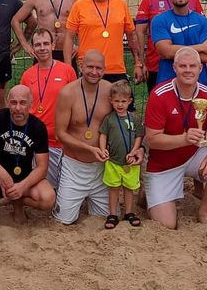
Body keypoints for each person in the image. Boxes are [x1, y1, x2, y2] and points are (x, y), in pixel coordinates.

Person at [143, 48, 207, 228]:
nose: (188, 70)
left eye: (192, 66)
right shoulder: (159, 95)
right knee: (167, 224)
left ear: (200, 68)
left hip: (192, 155)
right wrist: (184, 138)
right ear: (174, 68)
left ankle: (204, 210)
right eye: (183, 66)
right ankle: (147, 194)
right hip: (162, 163)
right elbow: (152, 140)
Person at [0, 84, 55, 225]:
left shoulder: (38, 127)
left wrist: (23, 186)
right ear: (8, 102)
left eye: (23, 103)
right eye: (13, 102)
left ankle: (16, 202)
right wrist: (1, 172)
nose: (18, 108)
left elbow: (42, 167)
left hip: (22, 176)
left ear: (31, 104)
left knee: (48, 198)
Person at [52, 50, 114, 225]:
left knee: (105, 218)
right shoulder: (68, 93)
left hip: (102, 168)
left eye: (99, 68)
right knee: (63, 220)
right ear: (81, 66)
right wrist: (89, 148)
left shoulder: (110, 91)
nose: (94, 72)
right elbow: (60, 133)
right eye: (90, 67)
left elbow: (122, 124)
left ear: (104, 69)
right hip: (74, 166)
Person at [18, 27, 78, 189]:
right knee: (38, 187)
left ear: (53, 45)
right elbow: (21, 109)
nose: (42, 48)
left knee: (60, 189)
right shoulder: (27, 75)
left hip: (61, 141)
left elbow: (76, 104)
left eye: (46, 43)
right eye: (38, 45)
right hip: (35, 141)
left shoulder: (67, 71)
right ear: (33, 48)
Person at [63, 0, 143, 87]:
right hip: (89, 70)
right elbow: (69, 38)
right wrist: (69, 68)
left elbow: (132, 37)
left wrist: (138, 64)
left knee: (122, 105)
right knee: (88, 106)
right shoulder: (79, 6)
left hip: (116, 70)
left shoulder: (121, 5)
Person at [135, 0, 204, 92]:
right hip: (156, 64)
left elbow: (202, 30)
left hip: (189, 64)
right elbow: (139, 32)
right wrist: (140, 63)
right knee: (160, 104)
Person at [11, 0, 80, 63]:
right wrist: (25, 45)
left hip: (67, 51)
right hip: (43, 52)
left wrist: (80, 46)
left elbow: (85, 26)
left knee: (68, 79)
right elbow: (15, 20)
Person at [151, 0, 207, 86]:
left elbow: (205, 57)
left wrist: (174, 50)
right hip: (168, 83)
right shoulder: (159, 20)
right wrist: (200, 47)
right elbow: (166, 52)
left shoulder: (204, 22)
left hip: (199, 83)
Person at [98, 79, 144, 229]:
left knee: (129, 189)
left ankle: (129, 212)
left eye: (123, 101)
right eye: (116, 101)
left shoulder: (135, 118)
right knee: (113, 188)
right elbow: (103, 135)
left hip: (130, 162)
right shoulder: (109, 119)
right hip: (113, 161)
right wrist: (103, 148)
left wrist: (135, 151)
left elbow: (139, 136)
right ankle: (112, 214)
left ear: (129, 101)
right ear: (111, 100)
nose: (120, 104)